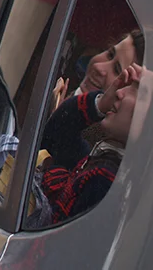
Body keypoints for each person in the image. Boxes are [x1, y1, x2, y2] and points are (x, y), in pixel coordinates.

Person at [40, 64, 141, 224]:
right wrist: (101, 103)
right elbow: (58, 133)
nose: (119, 92)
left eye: (140, 92)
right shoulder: (102, 161)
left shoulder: (105, 180)